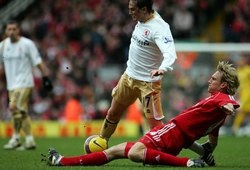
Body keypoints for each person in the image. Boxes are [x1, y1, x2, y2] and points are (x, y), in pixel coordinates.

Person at [43, 61, 240, 167]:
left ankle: (187, 164)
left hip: (170, 133)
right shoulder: (217, 113)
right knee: (113, 152)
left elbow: (228, 102)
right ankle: (61, 161)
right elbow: (212, 141)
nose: (209, 81)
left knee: (136, 153)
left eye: (213, 79)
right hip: (175, 136)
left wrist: (230, 106)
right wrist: (206, 152)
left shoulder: (220, 99)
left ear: (223, 85)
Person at [99, 0, 177, 141]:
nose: (130, 12)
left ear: (144, 9)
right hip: (128, 77)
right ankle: (101, 142)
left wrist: (162, 68)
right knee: (112, 113)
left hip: (148, 83)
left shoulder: (160, 28)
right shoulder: (141, 19)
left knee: (155, 127)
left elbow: (170, 53)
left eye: (133, 9)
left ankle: (166, 153)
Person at [0, 20, 53, 150]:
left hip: (24, 82)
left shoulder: (27, 44)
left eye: (14, 29)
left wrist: (45, 77)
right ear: (5, 31)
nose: (11, 32)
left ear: (18, 30)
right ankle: (24, 140)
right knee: (19, 112)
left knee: (13, 107)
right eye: (9, 29)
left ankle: (20, 139)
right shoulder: (2, 46)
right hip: (11, 84)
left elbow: (38, 61)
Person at [232, 54, 250, 134]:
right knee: (247, 111)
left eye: (241, 60)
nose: (239, 62)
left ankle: (235, 128)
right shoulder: (238, 71)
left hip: (248, 93)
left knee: (242, 110)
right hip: (242, 93)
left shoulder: (248, 70)